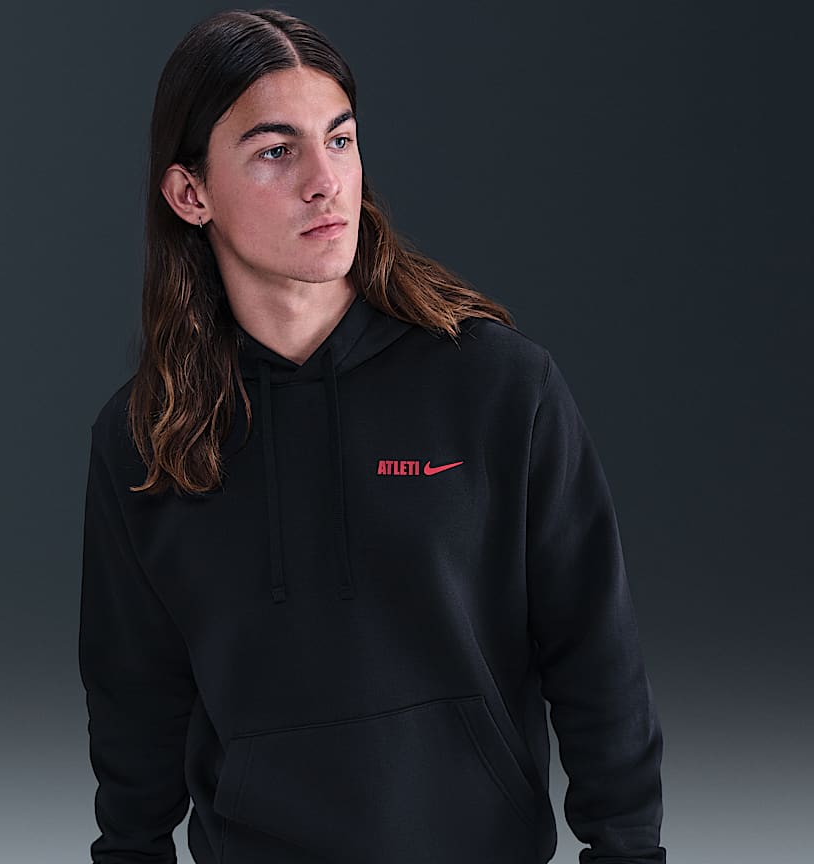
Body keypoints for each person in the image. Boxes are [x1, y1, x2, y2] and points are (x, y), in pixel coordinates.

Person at [78, 8, 666, 864]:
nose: (326, 181)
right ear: (190, 194)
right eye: (276, 151)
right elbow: (133, 706)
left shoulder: (497, 387)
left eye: (341, 139)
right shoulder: (147, 438)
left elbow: (596, 657)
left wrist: (629, 852)